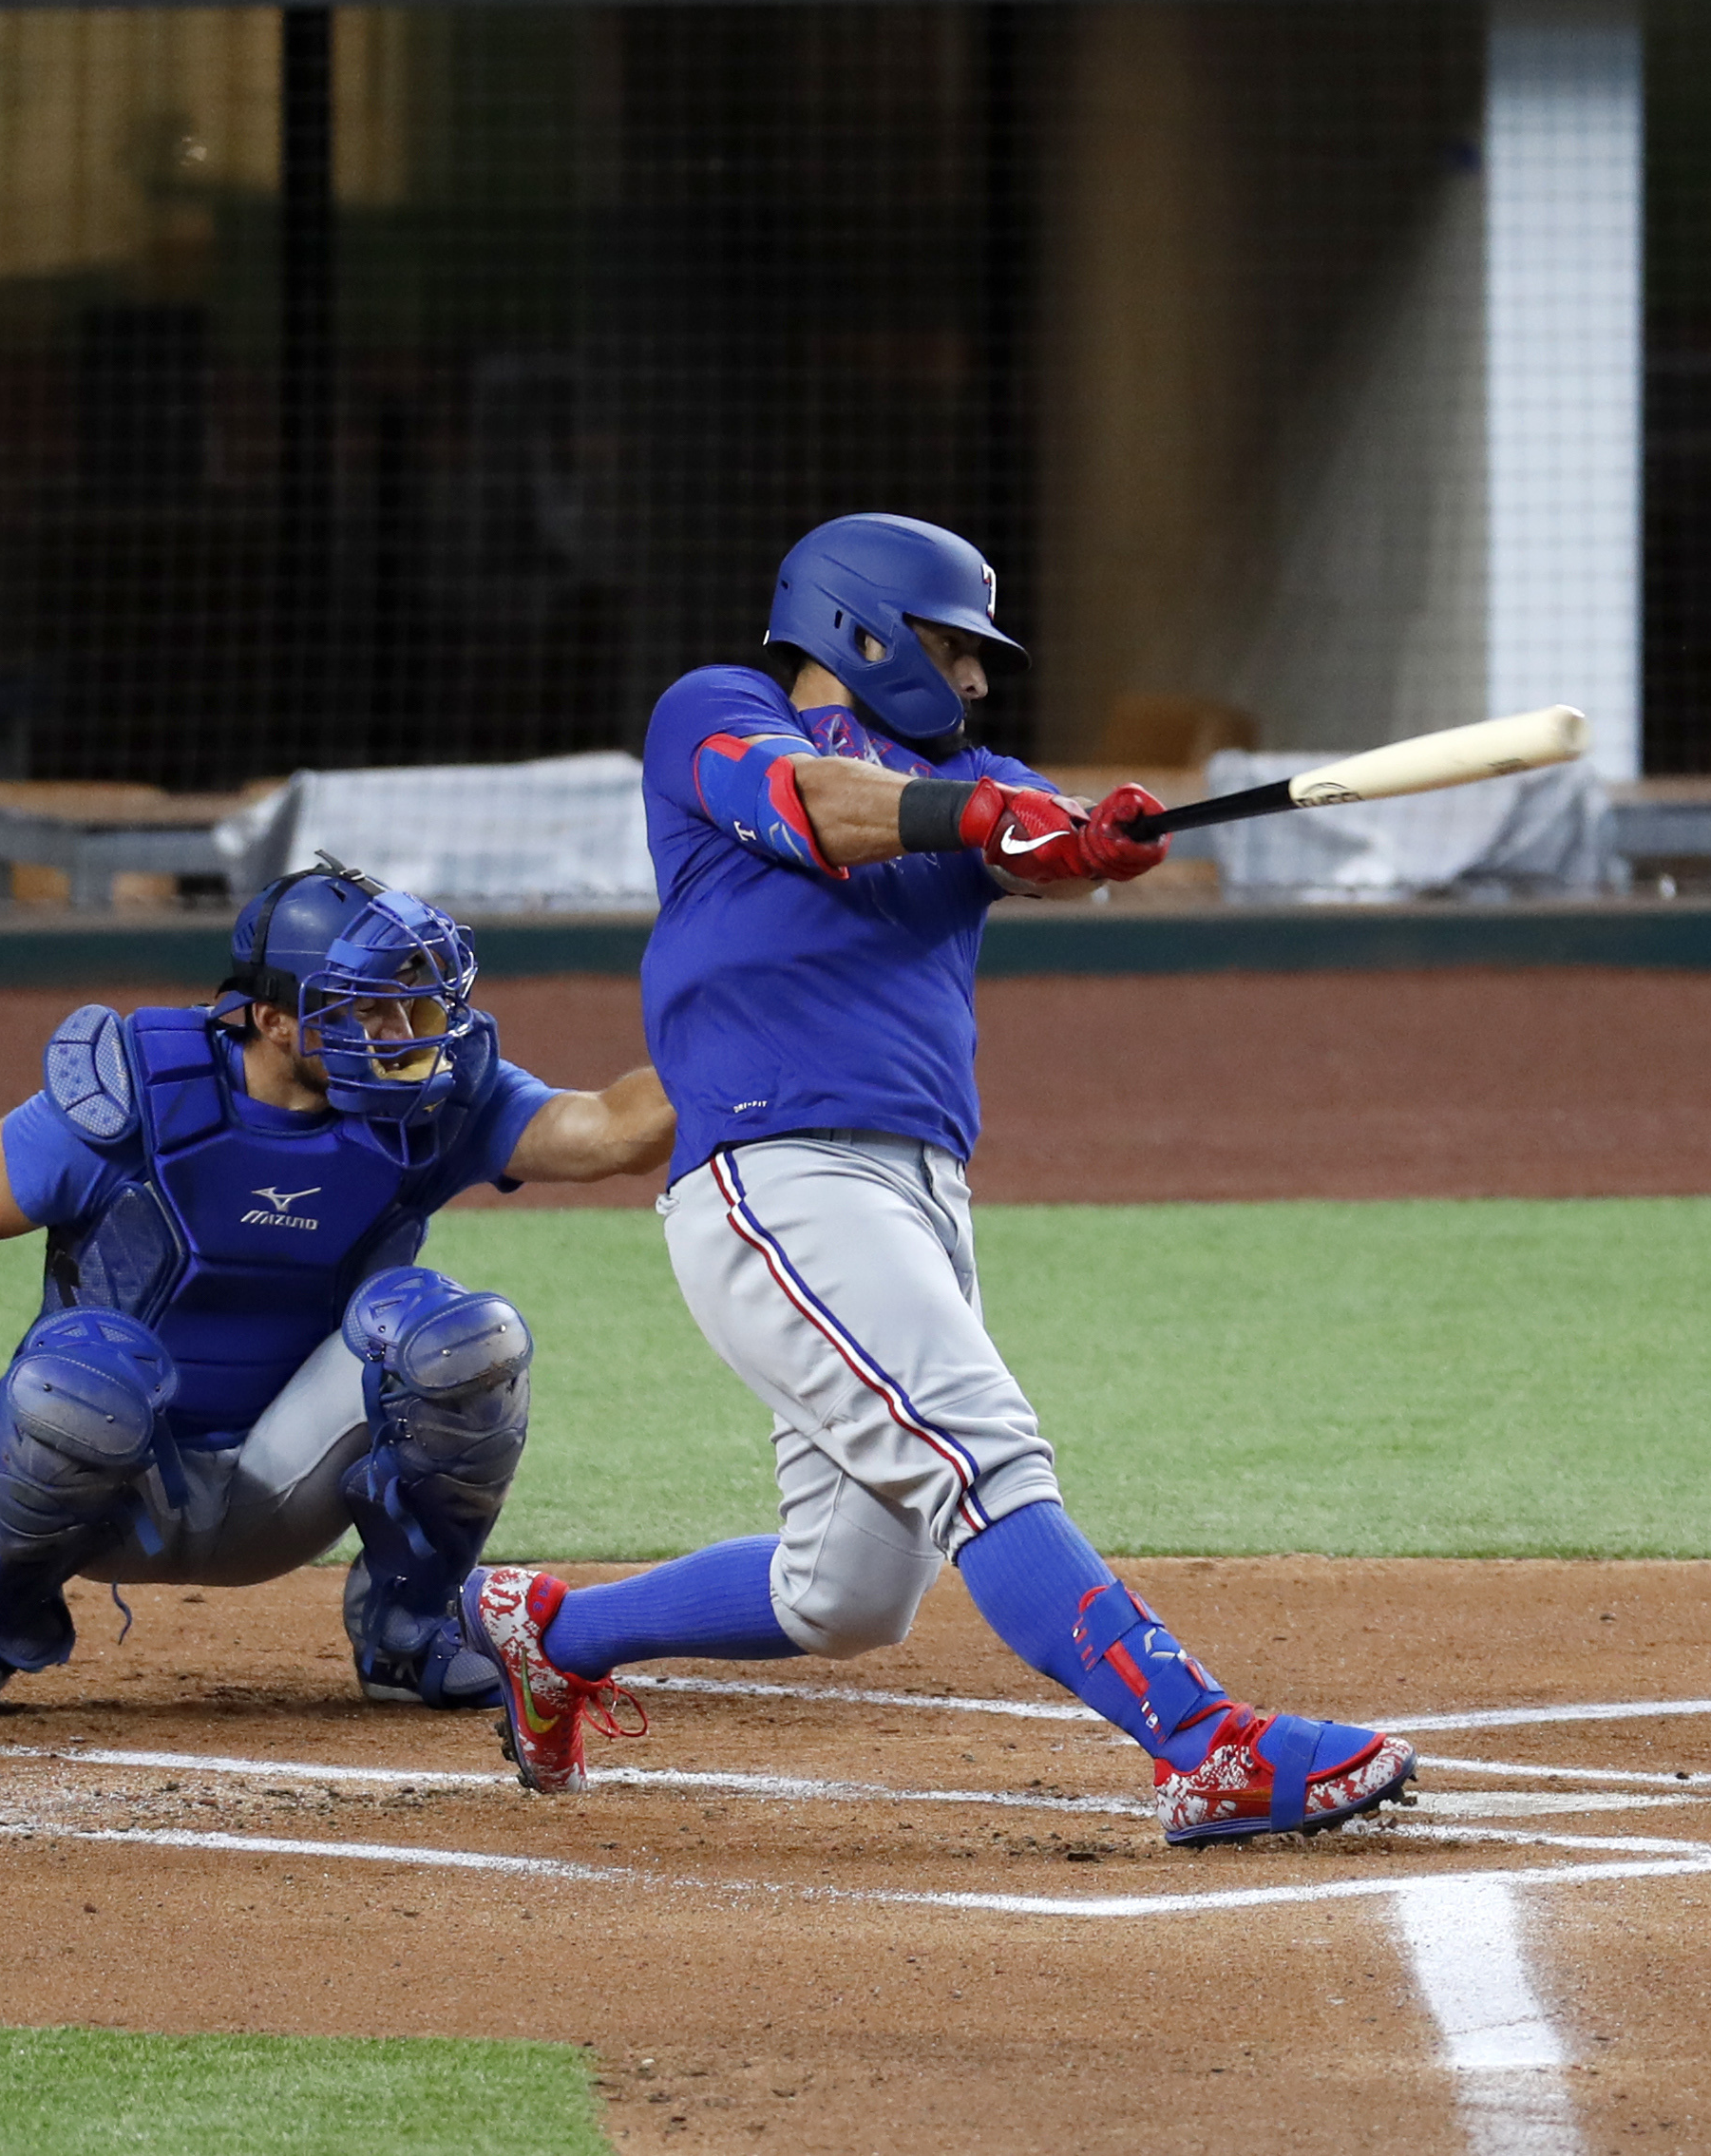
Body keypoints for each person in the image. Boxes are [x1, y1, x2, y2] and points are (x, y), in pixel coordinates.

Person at [454, 512, 1416, 1846]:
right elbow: (803, 807)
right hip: (774, 1167)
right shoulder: (714, 711)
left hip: (914, 1187)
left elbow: (1027, 833)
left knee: (845, 1593)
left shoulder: (973, 770)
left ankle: (553, 1630)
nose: (971, 681)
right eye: (951, 648)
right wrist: (987, 812)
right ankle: (1209, 1748)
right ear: (859, 629)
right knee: (981, 1448)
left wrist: (1079, 841)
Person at [0, 859, 673, 1718]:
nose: (398, 1031)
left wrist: (731, 1060)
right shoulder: (141, 1091)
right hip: (108, 1485)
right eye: (364, 1007)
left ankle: (408, 1629)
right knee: (85, 1375)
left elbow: (610, 1132)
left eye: (406, 1000)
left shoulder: (426, 1101)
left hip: (288, 1482)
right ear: (275, 1019)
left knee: (464, 1338)